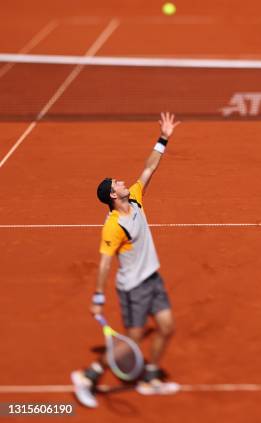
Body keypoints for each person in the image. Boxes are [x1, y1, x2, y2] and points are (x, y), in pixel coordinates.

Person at [71, 112, 181, 408]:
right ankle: (88, 376)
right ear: (112, 194)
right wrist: (97, 295)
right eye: (116, 183)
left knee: (167, 326)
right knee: (130, 341)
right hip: (133, 287)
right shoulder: (112, 226)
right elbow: (105, 261)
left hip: (152, 277)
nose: (122, 181)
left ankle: (150, 378)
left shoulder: (134, 197)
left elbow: (148, 168)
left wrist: (164, 138)